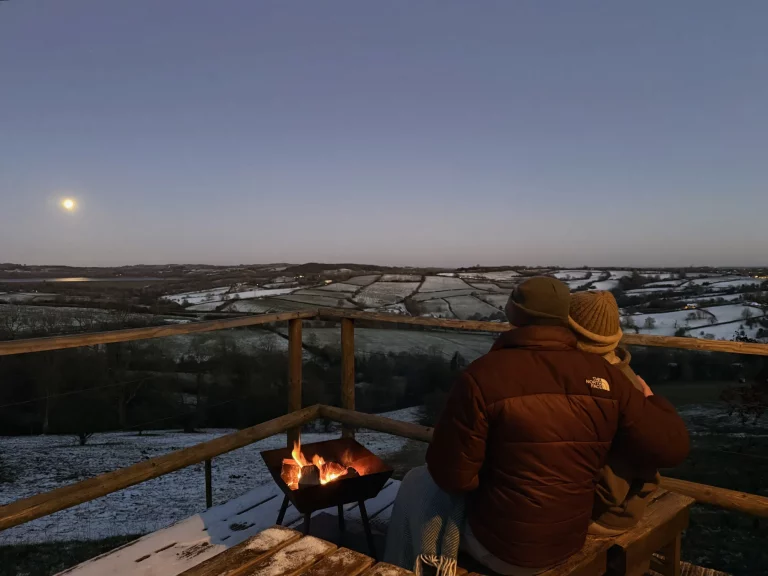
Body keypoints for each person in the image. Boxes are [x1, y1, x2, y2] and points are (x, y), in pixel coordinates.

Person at [425, 277, 689, 575]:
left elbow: (453, 478)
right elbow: (673, 448)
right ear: (564, 319)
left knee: (420, 492)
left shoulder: (480, 376)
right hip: (568, 541)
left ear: (513, 315)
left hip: (500, 549)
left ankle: (403, 566)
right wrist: (654, 401)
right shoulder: (605, 375)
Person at [568, 290, 661, 536]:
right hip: (621, 503)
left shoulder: (603, 389)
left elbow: (611, 486)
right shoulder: (620, 375)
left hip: (609, 514)